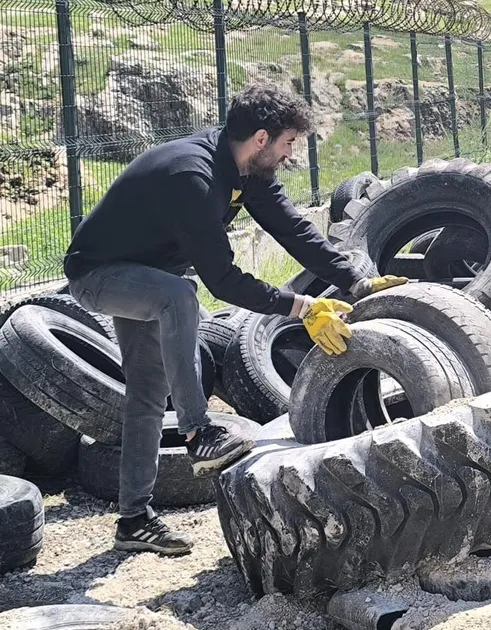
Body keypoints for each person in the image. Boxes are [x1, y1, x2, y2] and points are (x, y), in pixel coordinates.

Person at [62, 83, 406, 555]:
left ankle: (133, 521)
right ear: (262, 138)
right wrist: (300, 307)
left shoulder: (246, 169)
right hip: (98, 275)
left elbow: (292, 227)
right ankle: (200, 431)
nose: (290, 154)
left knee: (146, 394)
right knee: (180, 297)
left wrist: (355, 280)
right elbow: (221, 280)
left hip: (150, 276)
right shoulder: (193, 175)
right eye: (288, 143)